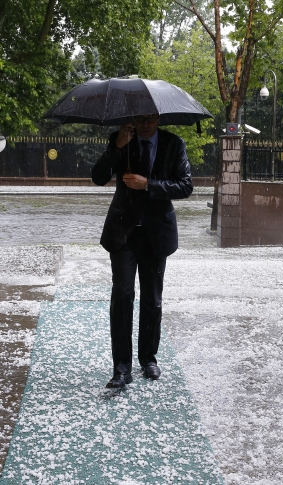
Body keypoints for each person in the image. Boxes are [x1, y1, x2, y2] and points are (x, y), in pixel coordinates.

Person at [92, 114, 193, 389]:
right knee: (123, 294)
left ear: (158, 118)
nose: (146, 125)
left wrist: (148, 184)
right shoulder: (121, 138)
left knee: (152, 298)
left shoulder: (174, 144)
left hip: (156, 233)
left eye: (151, 119)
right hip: (123, 233)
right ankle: (121, 368)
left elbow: (185, 186)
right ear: (134, 119)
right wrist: (117, 147)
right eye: (141, 119)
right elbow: (98, 177)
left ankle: (148, 358)